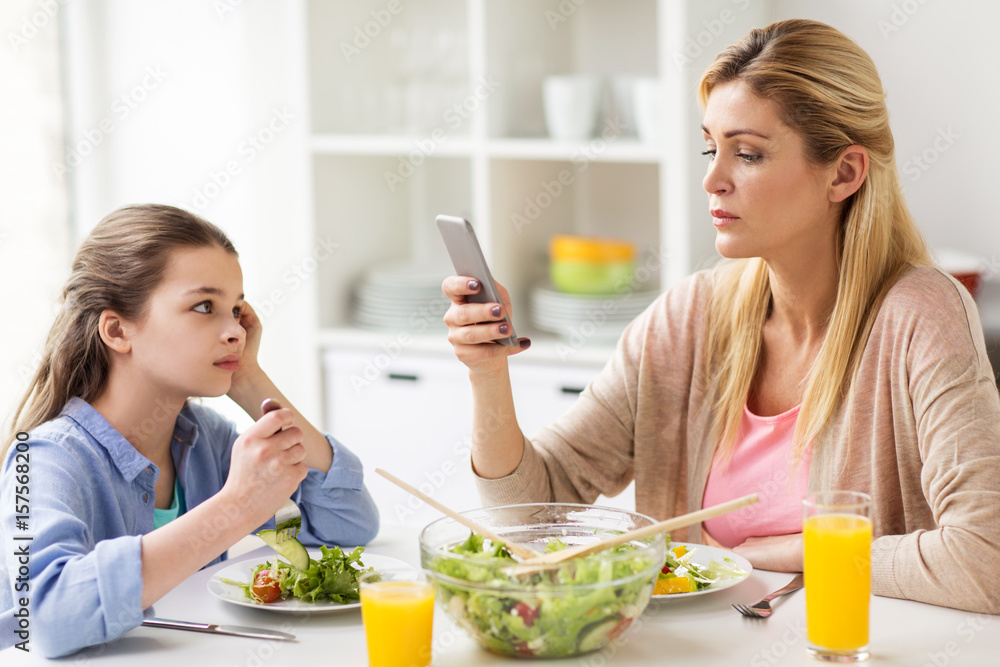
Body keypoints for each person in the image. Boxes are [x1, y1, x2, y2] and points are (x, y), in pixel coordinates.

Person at [442, 19, 1000, 614]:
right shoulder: (687, 321)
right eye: (711, 148)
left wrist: (806, 550)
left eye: (749, 154)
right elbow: (531, 514)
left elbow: (986, 560)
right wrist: (487, 374)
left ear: (844, 173)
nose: (713, 178)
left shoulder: (920, 316)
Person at [0, 205, 380, 657]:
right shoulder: (44, 458)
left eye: (236, 310)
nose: (235, 331)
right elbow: (45, 618)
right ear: (118, 329)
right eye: (204, 306)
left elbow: (349, 521)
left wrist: (249, 378)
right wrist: (235, 508)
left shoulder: (207, 440)